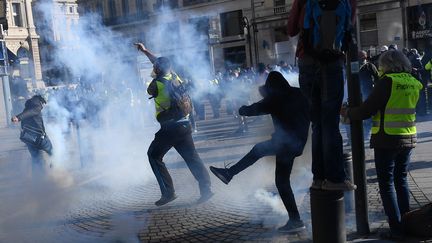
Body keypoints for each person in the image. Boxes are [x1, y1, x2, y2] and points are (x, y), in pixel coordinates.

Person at [209, 71, 310, 233]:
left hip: (285, 144)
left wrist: (240, 107)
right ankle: (229, 173)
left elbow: (250, 110)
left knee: (281, 181)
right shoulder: (298, 93)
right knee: (262, 155)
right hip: (297, 142)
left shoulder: (275, 99)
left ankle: (295, 220)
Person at [341, 50, 423, 240]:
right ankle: (407, 222)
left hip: (387, 139)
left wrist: (347, 113)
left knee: (386, 184)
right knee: (401, 180)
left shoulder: (387, 81)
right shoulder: (413, 81)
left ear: (387, 64)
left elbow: (368, 110)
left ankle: (396, 229)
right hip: (409, 136)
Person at [287, 0, 357, 190]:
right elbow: (349, 27)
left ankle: (318, 178)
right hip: (333, 63)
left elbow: (291, 29)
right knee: (330, 123)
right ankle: (335, 179)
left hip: (307, 62)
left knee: (317, 124)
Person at [135, 42, 213, 206]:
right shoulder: (175, 77)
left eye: (155, 67)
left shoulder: (155, 84)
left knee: (153, 155)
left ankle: (168, 193)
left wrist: (150, 60)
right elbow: (161, 64)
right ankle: (206, 189)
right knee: (192, 158)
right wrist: (145, 51)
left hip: (169, 128)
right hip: (184, 124)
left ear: (157, 69)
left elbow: (152, 86)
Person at [12, 94, 53, 177]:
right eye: (43, 103)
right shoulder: (37, 106)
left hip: (29, 139)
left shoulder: (27, 108)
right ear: (41, 101)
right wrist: (18, 118)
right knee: (52, 152)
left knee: (35, 159)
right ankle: (52, 168)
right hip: (39, 138)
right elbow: (30, 113)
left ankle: (37, 180)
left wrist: (19, 117)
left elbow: (27, 113)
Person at [358, 50, 379, 139]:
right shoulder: (353, 65)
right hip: (357, 94)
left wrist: (376, 90)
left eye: (363, 57)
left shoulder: (369, 66)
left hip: (368, 92)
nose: (362, 59)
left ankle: (366, 133)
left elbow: (377, 77)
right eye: (360, 57)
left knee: (367, 113)